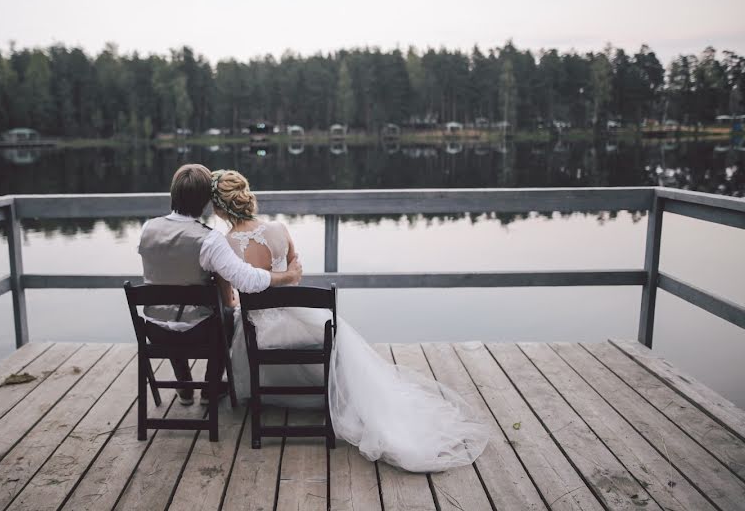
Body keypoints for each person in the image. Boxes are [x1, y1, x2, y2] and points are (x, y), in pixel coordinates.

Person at [210, 169, 490, 473]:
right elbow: (295, 273)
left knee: (240, 326)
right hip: (296, 317)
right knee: (338, 333)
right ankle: (335, 392)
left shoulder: (224, 245)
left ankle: (273, 392)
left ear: (219, 208)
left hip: (258, 333)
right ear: (247, 195)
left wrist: (244, 300)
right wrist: (284, 276)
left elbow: (229, 300)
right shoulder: (278, 230)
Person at [137, 164, 302, 406]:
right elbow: (247, 280)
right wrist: (287, 277)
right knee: (226, 314)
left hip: (155, 330)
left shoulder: (147, 228)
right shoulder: (210, 239)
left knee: (170, 309)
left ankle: (184, 387)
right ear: (205, 202)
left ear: (173, 194)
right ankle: (209, 389)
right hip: (198, 331)